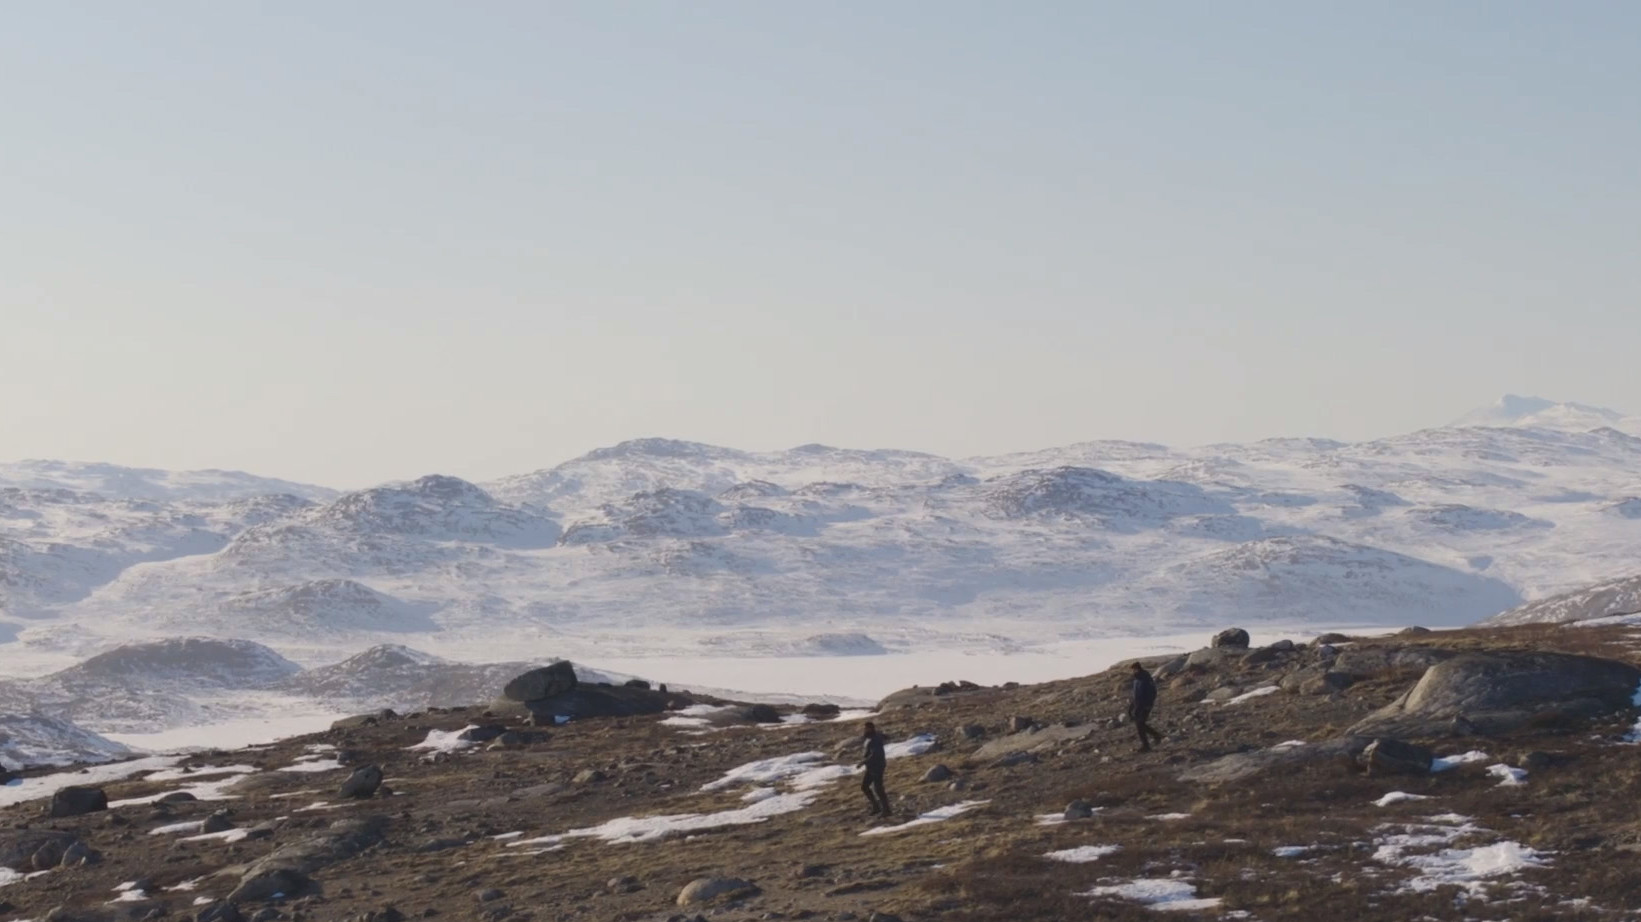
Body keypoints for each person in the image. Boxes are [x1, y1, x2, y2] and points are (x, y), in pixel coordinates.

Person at [1128, 661, 1164, 752]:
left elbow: (1152, 692)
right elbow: (1136, 694)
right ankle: (1155, 736)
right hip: (1138, 705)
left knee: (1140, 724)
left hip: (1145, 705)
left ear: (1137, 669)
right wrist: (1132, 706)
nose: (1132, 672)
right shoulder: (1137, 679)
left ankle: (1146, 745)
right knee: (1140, 724)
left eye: (1133, 670)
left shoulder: (1145, 678)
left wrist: (1148, 704)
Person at [860, 720, 889, 816]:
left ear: (870, 728)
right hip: (871, 766)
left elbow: (875, 754)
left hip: (877, 766)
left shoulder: (874, 739)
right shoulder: (870, 738)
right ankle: (876, 807)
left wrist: (863, 761)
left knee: (878, 788)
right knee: (865, 786)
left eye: (865, 728)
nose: (864, 730)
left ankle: (886, 810)